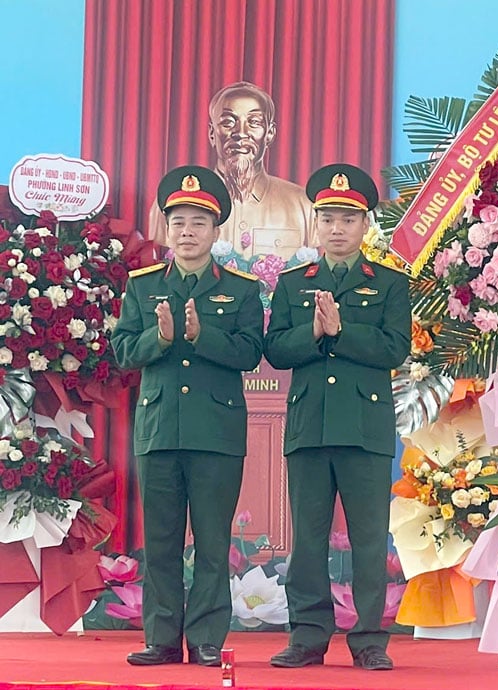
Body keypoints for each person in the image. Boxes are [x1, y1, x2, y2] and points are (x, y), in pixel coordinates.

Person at [112, 166, 265, 666]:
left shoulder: (240, 289)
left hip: (216, 434)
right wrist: (161, 336)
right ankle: (160, 638)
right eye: (177, 222)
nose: (187, 232)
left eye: (198, 223)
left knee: (213, 544)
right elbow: (123, 352)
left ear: (215, 230)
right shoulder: (142, 286)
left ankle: (206, 640)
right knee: (160, 542)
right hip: (158, 431)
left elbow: (250, 353)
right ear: (165, 229)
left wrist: (202, 336)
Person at [265, 164, 410, 671]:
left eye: (347, 218)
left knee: (370, 537)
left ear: (365, 224)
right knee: (307, 537)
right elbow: (276, 350)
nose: (336, 228)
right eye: (327, 218)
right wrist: (317, 332)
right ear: (316, 224)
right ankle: (307, 636)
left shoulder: (389, 283)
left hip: (365, 429)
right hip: (310, 427)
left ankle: (370, 638)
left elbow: (395, 348)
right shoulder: (291, 283)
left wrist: (342, 329)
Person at [147, 81, 312, 259]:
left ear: (270, 133)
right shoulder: (169, 203)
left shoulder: (302, 205)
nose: (240, 133)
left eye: (254, 122)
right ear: (212, 133)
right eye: (228, 122)